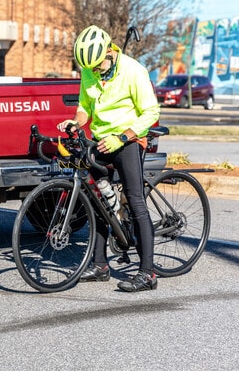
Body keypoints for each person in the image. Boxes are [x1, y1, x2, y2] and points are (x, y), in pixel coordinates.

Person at [57, 25, 160, 292]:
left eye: (98, 65)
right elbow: (84, 107)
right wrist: (76, 122)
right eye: (90, 68)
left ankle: (148, 273)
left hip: (127, 140)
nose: (95, 71)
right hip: (100, 140)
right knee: (98, 199)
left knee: (136, 201)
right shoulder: (89, 71)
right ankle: (100, 265)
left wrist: (123, 137)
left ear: (109, 52)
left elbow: (150, 112)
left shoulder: (134, 71)